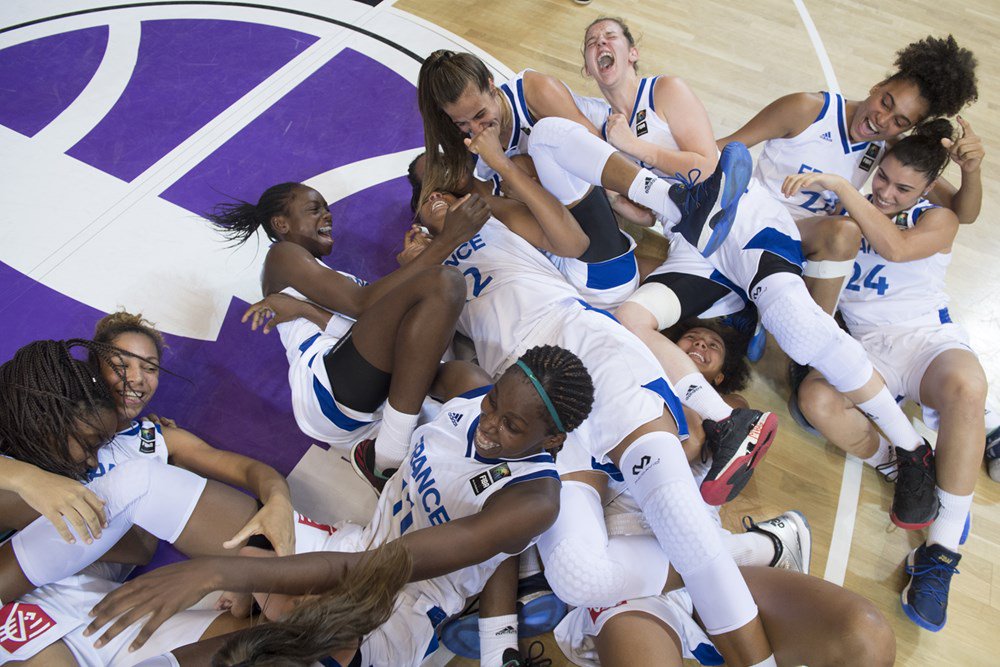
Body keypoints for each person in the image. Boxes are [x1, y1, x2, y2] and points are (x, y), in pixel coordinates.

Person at [74, 345, 595, 667]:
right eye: (494, 404)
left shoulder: (534, 500)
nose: (490, 423)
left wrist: (215, 573)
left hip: (387, 610)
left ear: (552, 440)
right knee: (142, 480)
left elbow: (379, 569)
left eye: (513, 426)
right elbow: (416, 352)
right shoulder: (466, 390)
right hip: (344, 543)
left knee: (264, 654)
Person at [786, 121, 988, 631]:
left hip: (928, 341)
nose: (887, 192)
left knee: (969, 388)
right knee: (818, 403)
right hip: (868, 345)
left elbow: (896, 248)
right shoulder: (850, 209)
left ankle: (938, 555)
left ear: (926, 189)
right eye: (883, 179)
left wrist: (844, 188)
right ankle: (902, 464)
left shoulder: (938, 217)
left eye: (903, 189)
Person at [0, 333, 292, 663]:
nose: (136, 378)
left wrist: (278, 498)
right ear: (93, 369)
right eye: (122, 365)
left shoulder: (151, 438)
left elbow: (243, 469)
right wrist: (26, 478)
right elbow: (136, 544)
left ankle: (280, 574)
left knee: (258, 644)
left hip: (97, 596)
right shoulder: (31, 444)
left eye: (149, 367)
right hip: (32, 593)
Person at [207, 182, 487, 482]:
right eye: (315, 209)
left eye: (327, 209)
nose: (327, 215)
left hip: (375, 398)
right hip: (328, 389)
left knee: (470, 381)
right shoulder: (283, 254)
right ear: (281, 224)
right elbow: (360, 304)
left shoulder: (333, 278)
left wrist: (309, 311)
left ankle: (490, 465)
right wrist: (449, 238)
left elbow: (372, 327)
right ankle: (388, 459)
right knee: (445, 282)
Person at [720, 34, 981, 316]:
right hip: (754, 219)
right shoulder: (807, 110)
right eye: (885, 102)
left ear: (910, 128)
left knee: (845, 230)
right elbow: (724, 147)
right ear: (877, 87)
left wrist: (971, 171)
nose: (883, 120)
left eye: (900, 122)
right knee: (845, 229)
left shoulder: (885, 144)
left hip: (806, 242)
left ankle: (802, 333)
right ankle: (804, 328)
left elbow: (960, 212)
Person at [416, 48, 754, 259]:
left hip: (622, 157)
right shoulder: (470, 147)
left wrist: (621, 202)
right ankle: (680, 209)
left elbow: (595, 148)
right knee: (523, 167)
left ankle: (680, 208)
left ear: (492, 85)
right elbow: (508, 209)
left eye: (479, 115)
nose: (476, 129)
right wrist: (505, 170)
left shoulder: (533, 90)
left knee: (543, 139)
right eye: (463, 124)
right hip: (593, 199)